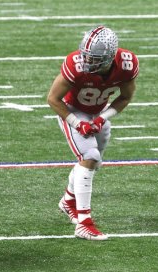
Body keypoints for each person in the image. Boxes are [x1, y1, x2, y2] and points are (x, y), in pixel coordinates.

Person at [47, 25, 139, 241]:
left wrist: (101, 118)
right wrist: (76, 123)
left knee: (93, 164)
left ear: (109, 58)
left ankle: (68, 201)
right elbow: (53, 98)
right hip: (72, 111)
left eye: (95, 59)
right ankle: (84, 223)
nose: (88, 62)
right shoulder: (75, 65)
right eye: (86, 56)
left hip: (97, 114)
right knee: (90, 157)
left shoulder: (126, 64)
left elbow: (125, 97)